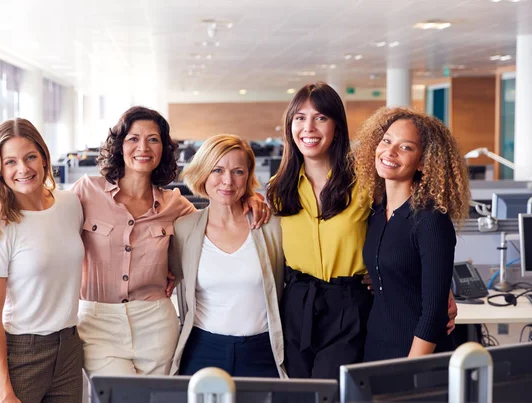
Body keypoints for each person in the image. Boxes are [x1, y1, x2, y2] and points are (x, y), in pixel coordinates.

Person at [266, 82, 458, 379]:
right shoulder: (278, 189)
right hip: (296, 302)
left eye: (320, 118)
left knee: (331, 391)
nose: (309, 128)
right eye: (300, 118)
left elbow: (408, 230)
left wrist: (440, 287)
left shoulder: (366, 183)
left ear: (337, 126)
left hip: (348, 304)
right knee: (297, 391)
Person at [71, 107, 269, 377]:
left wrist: (249, 197)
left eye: (153, 139)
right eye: (133, 138)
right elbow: (49, 220)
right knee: (119, 395)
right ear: (119, 145)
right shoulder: (86, 192)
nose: (143, 147)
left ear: (164, 148)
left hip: (155, 321)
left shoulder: (176, 205)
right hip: (98, 321)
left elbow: (215, 220)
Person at [0, 118, 84, 403]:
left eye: (30, 156)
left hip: (69, 347)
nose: (23, 169)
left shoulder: (70, 204)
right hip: (21, 353)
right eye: (10, 162)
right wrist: (4, 392)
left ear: (44, 157)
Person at [354, 107, 470, 361]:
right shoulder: (375, 213)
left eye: (406, 147)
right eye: (387, 141)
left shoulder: (430, 220)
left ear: (423, 162)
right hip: (376, 348)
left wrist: (408, 371)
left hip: (416, 358)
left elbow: (434, 314)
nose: (390, 152)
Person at [169, 134, 286, 378]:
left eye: (238, 171)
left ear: (248, 176)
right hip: (203, 350)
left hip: (263, 351)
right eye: (217, 170)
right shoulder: (184, 228)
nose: (227, 181)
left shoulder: (271, 226)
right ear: (203, 173)